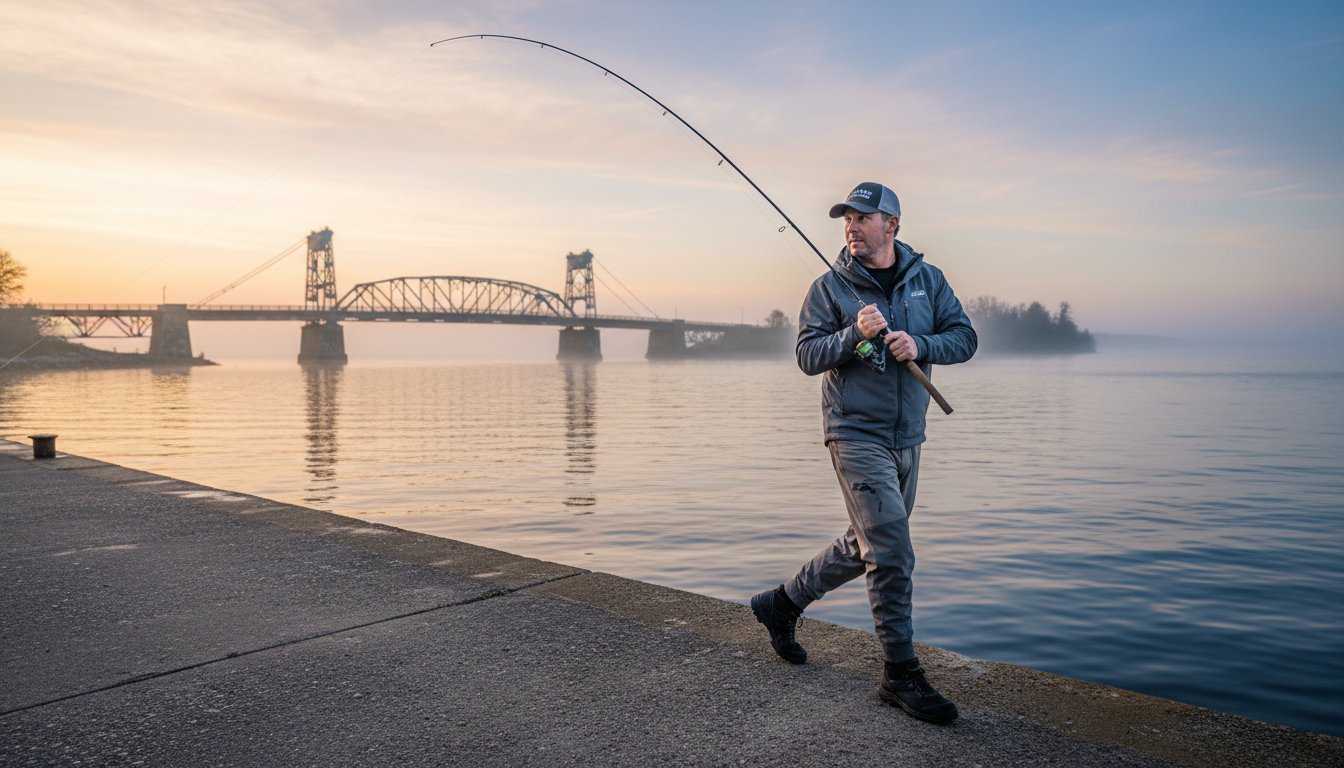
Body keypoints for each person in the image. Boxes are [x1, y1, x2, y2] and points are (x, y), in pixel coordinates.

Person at [751, 181, 977, 724]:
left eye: (862, 217)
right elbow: (808, 356)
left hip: (909, 436)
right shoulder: (828, 288)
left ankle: (781, 604)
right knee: (893, 549)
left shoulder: (930, 280)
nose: (851, 226)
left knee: (867, 545)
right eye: (846, 218)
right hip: (854, 432)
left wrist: (920, 344)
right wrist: (854, 334)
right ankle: (900, 674)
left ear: (892, 225)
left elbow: (964, 338)